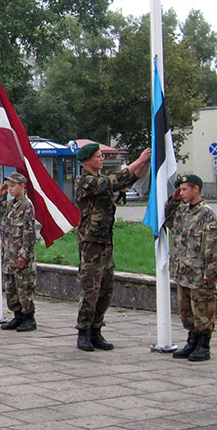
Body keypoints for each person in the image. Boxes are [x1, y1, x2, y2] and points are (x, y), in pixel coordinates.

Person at [74, 143, 151, 351]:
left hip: (106, 241)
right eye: (98, 156)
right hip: (91, 243)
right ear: (87, 160)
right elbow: (115, 180)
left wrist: (145, 164)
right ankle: (83, 331)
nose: (102, 159)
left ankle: (96, 329)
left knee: (106, 290)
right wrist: (139, 160)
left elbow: (127, 179)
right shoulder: (85, 181)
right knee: (91, 289)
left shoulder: (100, 179)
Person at [165, 173, 217, 362]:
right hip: (184, 271)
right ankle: (191, 341)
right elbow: (166, 219)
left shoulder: (206, 213)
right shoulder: (182, 212)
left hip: (200, 272)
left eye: (184, 189)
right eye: (179, 190)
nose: (180, 193)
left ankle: (203, 345)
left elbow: (212, 244)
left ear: (195, 189)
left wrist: (212, 271)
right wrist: (172, 201)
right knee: (186, 310)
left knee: (203, 310)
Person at [0, 172, 37, 332]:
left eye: (13, 186)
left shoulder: (26, 205)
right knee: (11, 289)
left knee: (24, 288)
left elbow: (29, 233)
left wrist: (24, 254)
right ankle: (18, 316)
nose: (10, 189)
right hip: (8, 255)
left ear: (22, 186)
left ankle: (29, 318)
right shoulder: (9, 205)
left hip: (20, 255)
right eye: (8, 186)